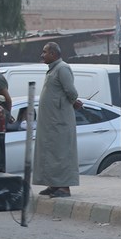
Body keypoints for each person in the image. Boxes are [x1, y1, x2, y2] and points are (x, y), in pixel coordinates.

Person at [32, 42, 82, 198]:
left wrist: (74, 101)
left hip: (59, 121)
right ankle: (53, 185)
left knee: (61, 153)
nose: (42, 55)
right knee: (50, 152)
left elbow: (71, 91)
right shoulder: (52, 70)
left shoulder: (62, 68)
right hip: (50, 122)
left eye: (45, 52)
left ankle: (64, 187)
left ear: (53, 54)